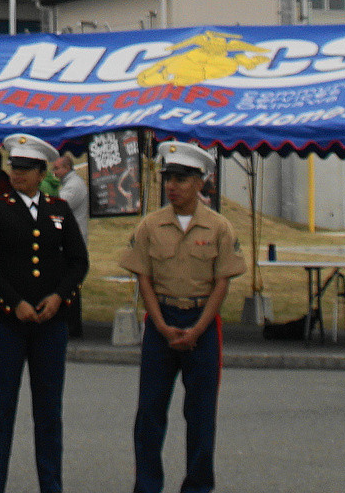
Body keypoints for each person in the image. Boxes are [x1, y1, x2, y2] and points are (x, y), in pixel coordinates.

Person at [119, 141, 245, 493]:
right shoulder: (150, 225)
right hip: (162, 319)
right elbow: (143, 277)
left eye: (181, 179)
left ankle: (198, 486)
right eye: (168, 178)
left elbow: (222, 283)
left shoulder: (219, 228)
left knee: (201, 414)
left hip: (202, 321)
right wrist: (160, 324)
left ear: (200, 182)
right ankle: (147, 486)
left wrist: (198, 328)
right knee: (149, 413)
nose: (172, 186)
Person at [0, 134, 86, 493]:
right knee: (0, 411)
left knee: (49, 414)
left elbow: (78, 262)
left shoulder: (59, 210)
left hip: (50, 326)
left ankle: (51, 485)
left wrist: (59, 298)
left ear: (42, 173)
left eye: (25, 169)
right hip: (7, 324)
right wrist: (13, 302)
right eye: (14, 167)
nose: (17, 174)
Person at [51, 153, 90, 338]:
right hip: (69, 240)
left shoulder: (74, 185)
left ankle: (73, 326)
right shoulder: (69, 183)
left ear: (67, 168)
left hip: (73, 242)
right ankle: (69, 323)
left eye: (57, 168)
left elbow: (58, 206)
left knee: (70, 285)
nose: (54, 172)